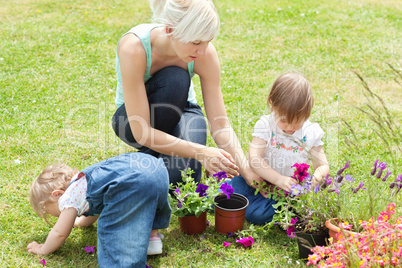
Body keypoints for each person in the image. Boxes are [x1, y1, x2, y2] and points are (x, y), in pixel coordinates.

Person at [111, 0, 260, 186]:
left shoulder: (205, 54)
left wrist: (245, 169)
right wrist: (201, 152)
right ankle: (157, 155)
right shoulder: (133, 47)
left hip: (184, 112)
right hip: (133, 122)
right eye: (196, 42)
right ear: (170, 30)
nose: (203, 50)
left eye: (208, 41)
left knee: (181, 178)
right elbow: (141, 131)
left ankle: (155, 158)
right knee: (176, 79)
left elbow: (220, 123)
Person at [27, 153, 171, 268]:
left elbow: (59, 233)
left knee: (115, 227)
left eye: (55, 213)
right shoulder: (83, 183)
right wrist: (81, 222)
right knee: (145, 201)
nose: (61, 215)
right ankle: (152, 237)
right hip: (154, 167)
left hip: (135, 182)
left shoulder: (68, 197)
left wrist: (43, 249)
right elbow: (95, 209)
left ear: (57, 194)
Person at [227, 72, 330, 225]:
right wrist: (278, 179)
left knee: (257, 214)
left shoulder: (310, 133)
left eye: (296, 123)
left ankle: (286, 211)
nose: (290, 128)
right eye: (284, 121)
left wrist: (313, 182)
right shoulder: (266, 126)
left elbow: (323, 165)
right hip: (259, 180)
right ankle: (246, 203)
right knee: (227, 191)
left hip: (288, 191)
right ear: (272, 105)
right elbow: (255, 159)